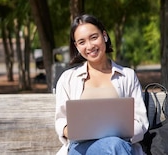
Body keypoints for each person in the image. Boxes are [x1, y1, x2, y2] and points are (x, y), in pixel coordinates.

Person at [55, 14, 148, 155]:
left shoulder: (127, 76)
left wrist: (112, 135)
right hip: (81, 149)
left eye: (94, 37)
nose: (90, 46)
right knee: (114, 147)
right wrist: (75, 130)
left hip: (120, 145)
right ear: (76, 47)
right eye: (81, 42)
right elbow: (61, 121)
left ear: (104, 36)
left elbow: (140, 122)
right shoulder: (67, 79)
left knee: (114, 146)